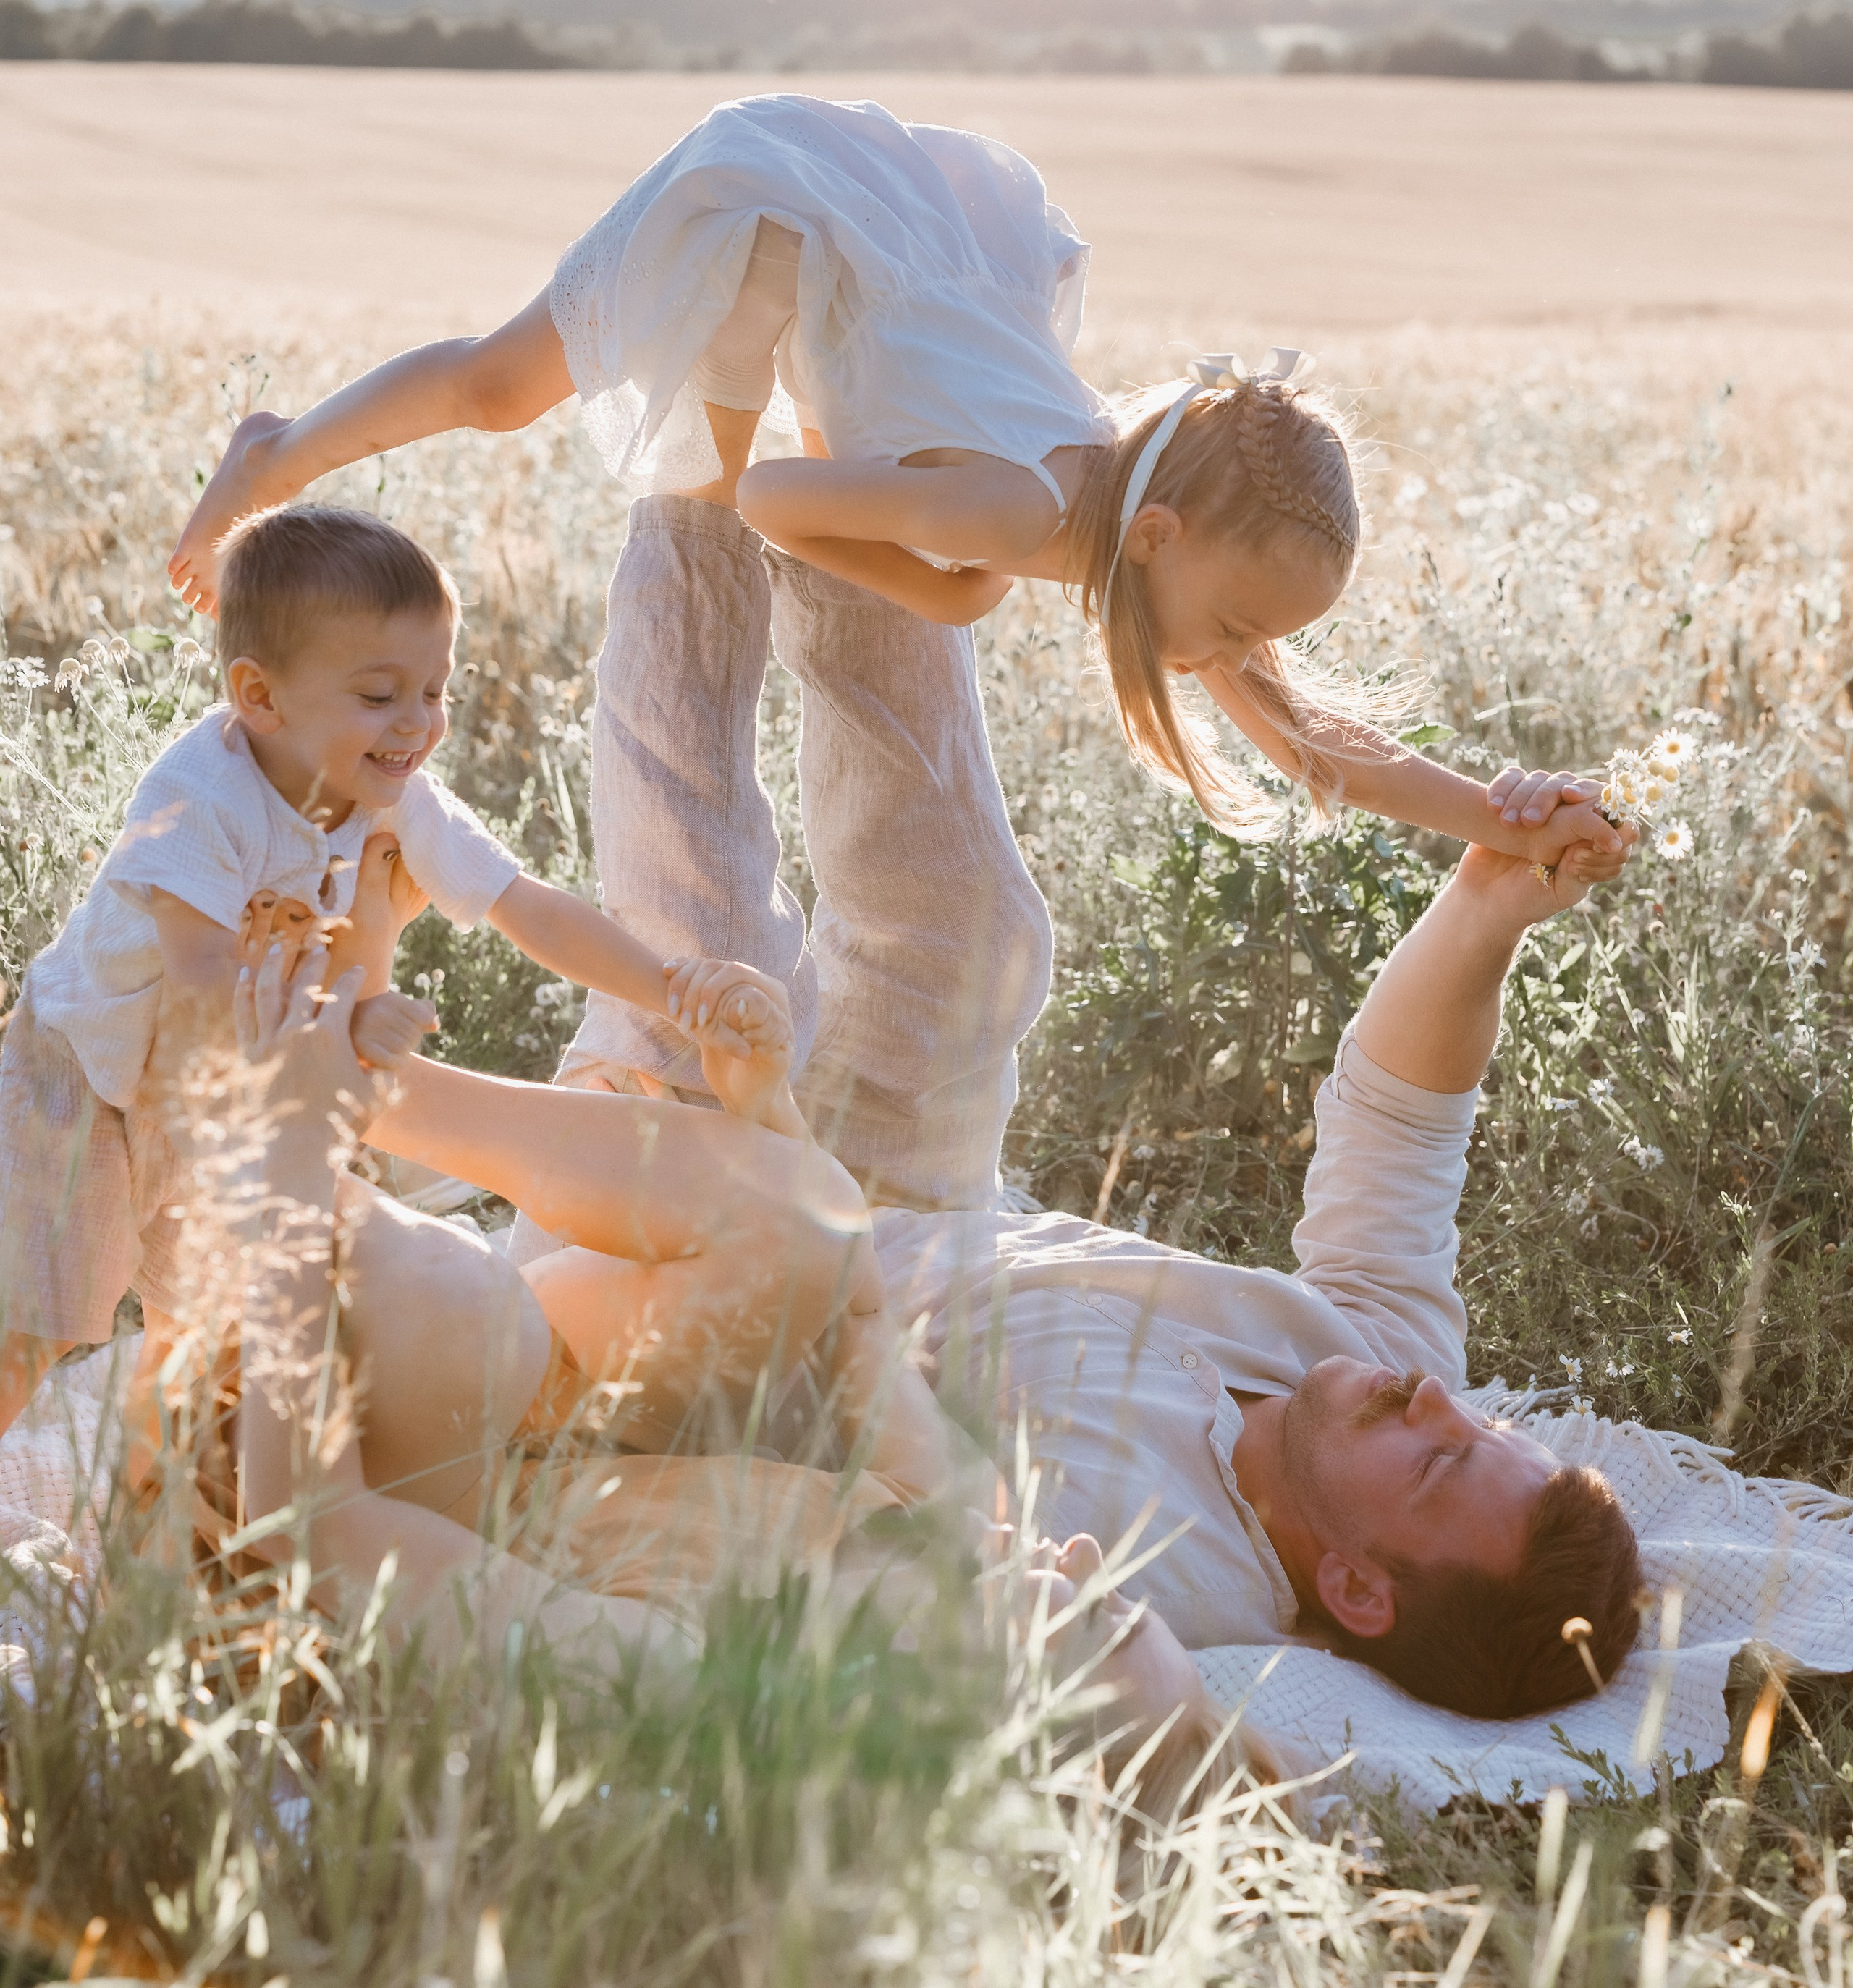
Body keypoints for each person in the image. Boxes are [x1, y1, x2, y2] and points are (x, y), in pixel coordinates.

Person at [489, 496, 1640, 1725]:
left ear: (1358, 1592)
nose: (1433, 1398)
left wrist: (731, 1149)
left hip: (698, 1280)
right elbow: (1403, 1121)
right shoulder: (1370, 1364)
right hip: (921, 1200)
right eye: (1471, 1421)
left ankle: (700, 481)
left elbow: (860, 1483)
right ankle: (854, 473)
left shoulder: (1153, 1571)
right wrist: (1488, 907)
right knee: (981, 937)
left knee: (720, 962)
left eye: (1443, 1457)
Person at [165, 90, 1626, 851]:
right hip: (776, 219)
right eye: (1240, 628)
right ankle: (272, 455)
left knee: (511, 389)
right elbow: (771, 501)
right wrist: (943, 592)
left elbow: (1306, 742)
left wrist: (1502, 813)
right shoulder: (1007, 514)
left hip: (877, 256)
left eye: (1255, 642)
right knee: (497, 389)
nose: (1239, 665)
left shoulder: (1155, 551)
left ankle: (278, 450)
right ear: (1163, 532)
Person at [183, 918, 1255, 1813]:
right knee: (819, 1230)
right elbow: (857, 1317)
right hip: (517, 1437)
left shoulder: (706, 1688)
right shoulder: (960, 1524)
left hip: (278, 1515)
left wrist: (282, 1169)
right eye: (1105, 1582)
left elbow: (310, 1528)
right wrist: (762, 1108)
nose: (1071, 1552)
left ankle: (257, 1107)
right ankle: (368, 1080)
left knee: (473, 1326)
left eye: (1082, 1611)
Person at [0, 502, 788, 1441]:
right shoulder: (199, 795)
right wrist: (337, 1023)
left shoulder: (391, 790)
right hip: (85, 1083)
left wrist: (670, 988)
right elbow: (206, 978)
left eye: (435, 690)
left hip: (216, 1090)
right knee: (36, 1319)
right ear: (260, 697)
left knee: (206, 1323)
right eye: (380, 695)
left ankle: (158, 1527)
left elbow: (524, 905)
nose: (417, 724)